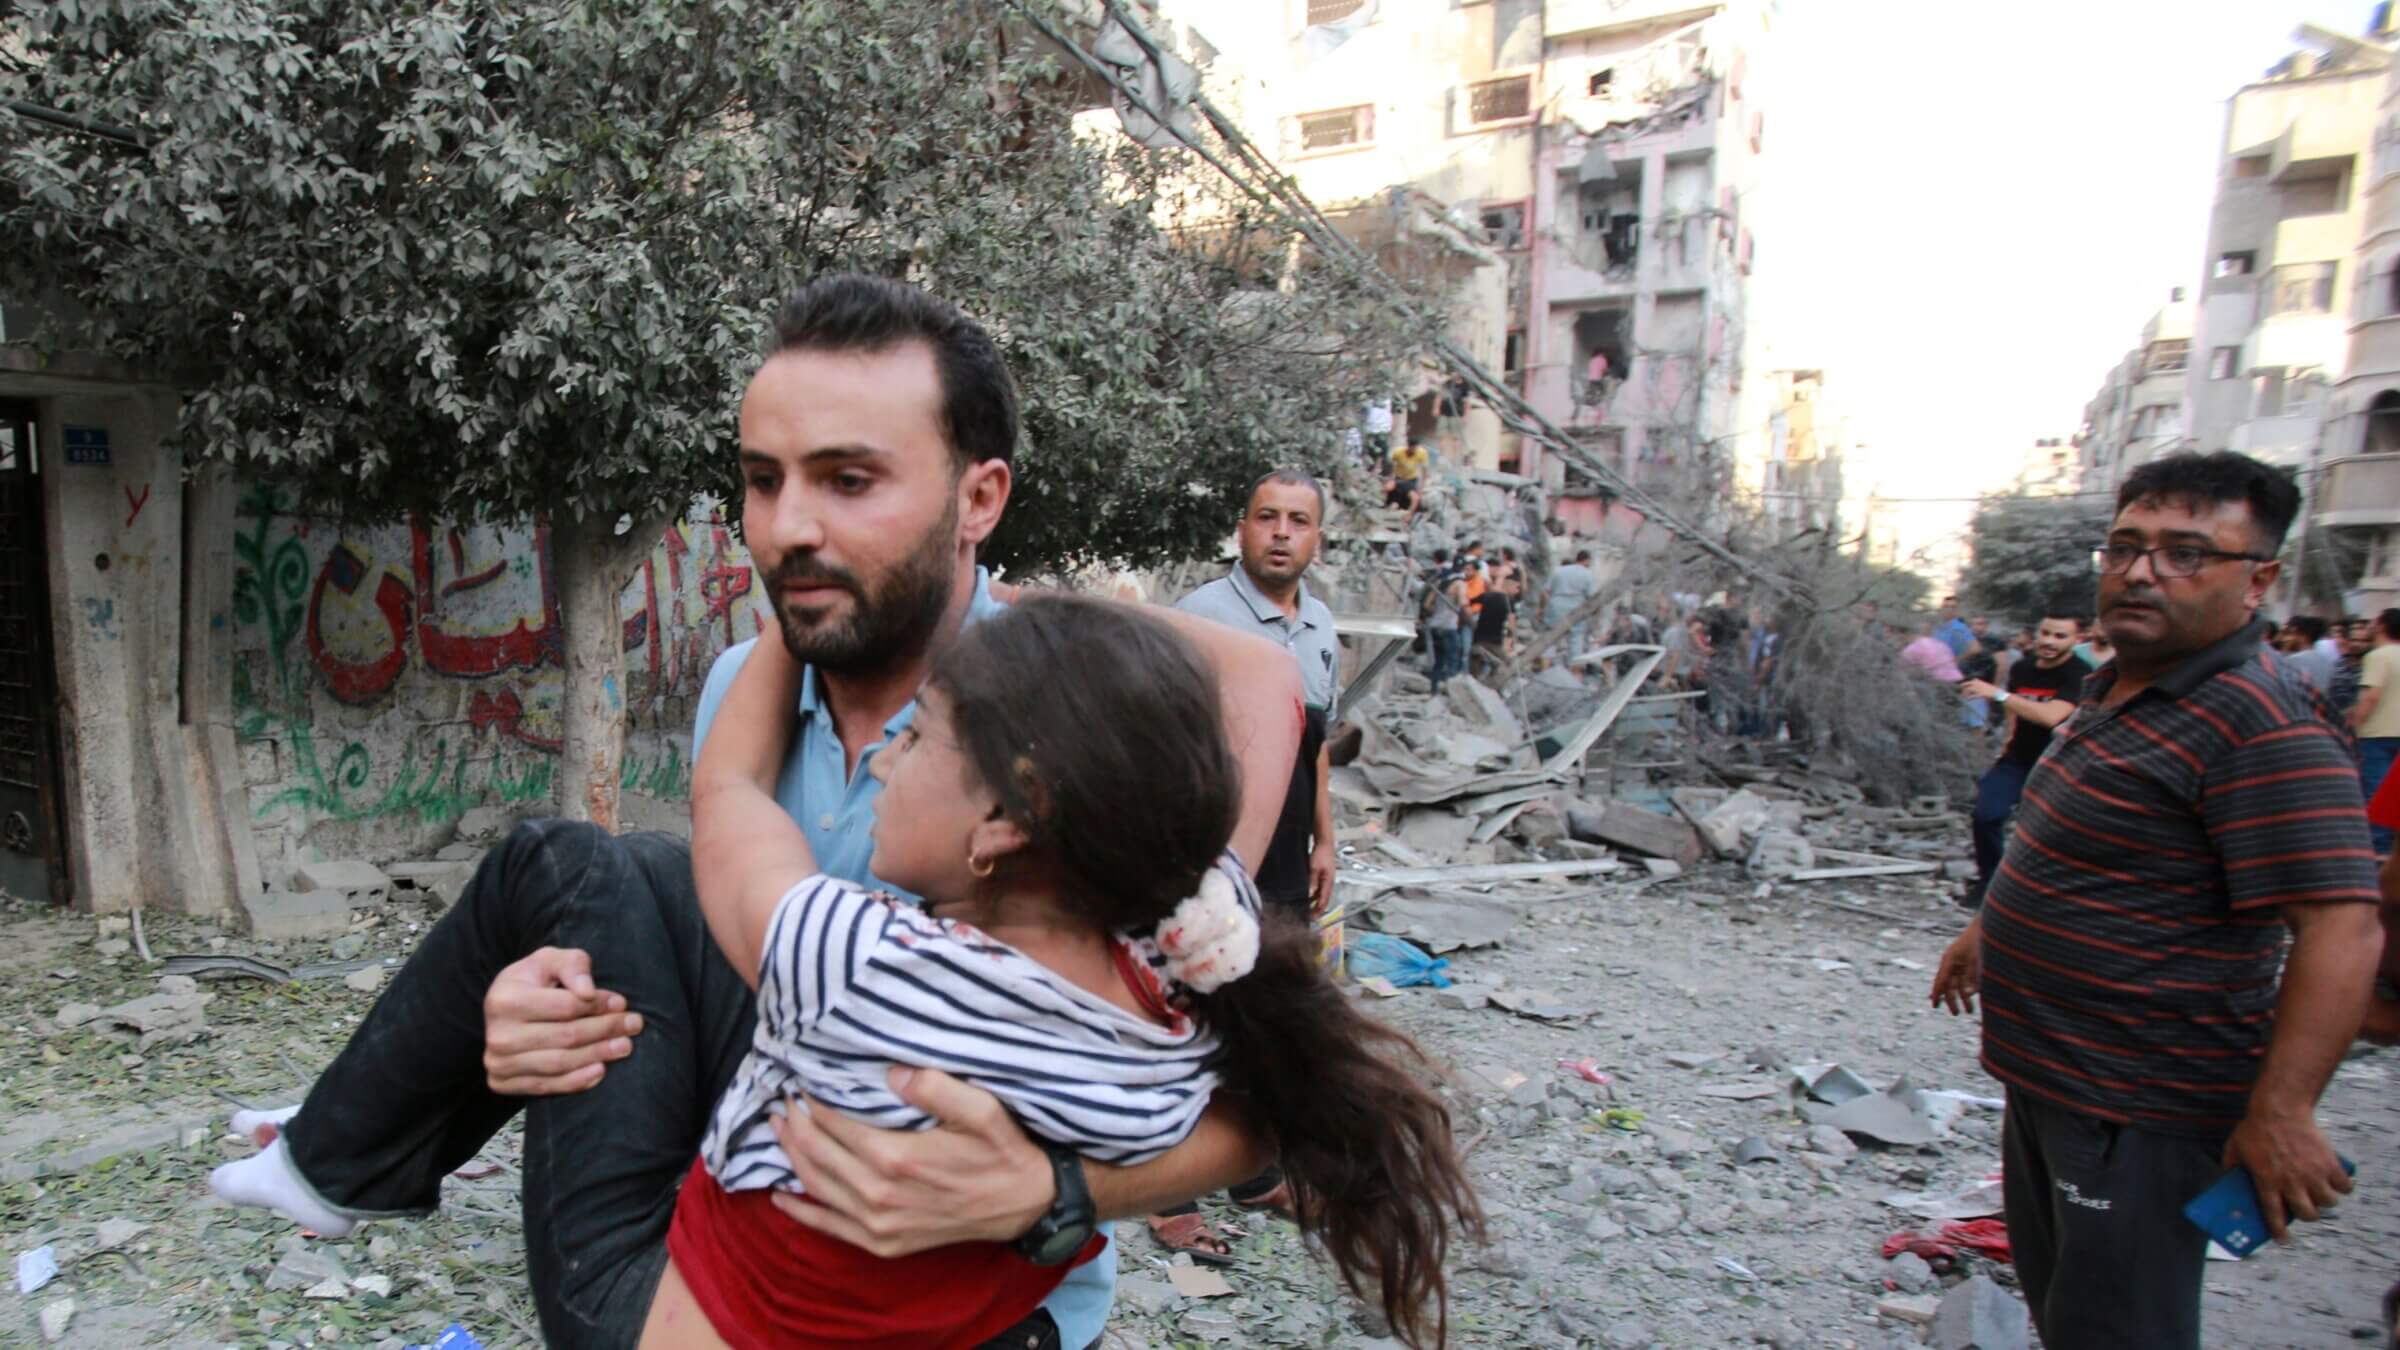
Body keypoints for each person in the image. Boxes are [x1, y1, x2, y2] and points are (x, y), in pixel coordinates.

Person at [207, 275, 1308, 1349]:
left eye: (848, 480)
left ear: (980, 498)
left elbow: (1253, 1082)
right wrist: (539, 1011)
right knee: (607, 883)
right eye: (762, 480)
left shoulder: (1070, 740)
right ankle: (339, 1158)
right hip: (752, 1245)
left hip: (988, 1313)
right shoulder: (748, 686)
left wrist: (1049, 1188)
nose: (787, 526)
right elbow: (727, 983)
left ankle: (334, 1159)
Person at [642, 595, 1479, 1347]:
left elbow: (726, 792)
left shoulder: (865, 969)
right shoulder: (1186, 971)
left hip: (734, 1311)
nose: (887, 765)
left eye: (918, 735)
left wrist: (793, 623)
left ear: (1009, 813)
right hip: (952, 1323)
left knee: (566, 870)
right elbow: (1247, 697)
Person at [1929, 451, 2381, 1350]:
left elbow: (2341, 925)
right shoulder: (2119, 688)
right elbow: (2077, 839)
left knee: (2119, 1330)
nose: (2140, 571)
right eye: (2125, 546)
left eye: (2185, 553)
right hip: (2055, 1076)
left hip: (2138, 1101)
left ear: (2259, 581)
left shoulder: (2260, 720)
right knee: (2068, 1312)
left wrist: (2283, 1111)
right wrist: (1988, 928)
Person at [1156, 470, 1341, 1259]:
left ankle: (1252, 1170)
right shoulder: (1202, 616)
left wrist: (1325, 838)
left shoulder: (1323, 624)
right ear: (1241, 528)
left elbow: (1318, 743)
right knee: (1191, 1012)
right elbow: (1168, 739)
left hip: (1290, 853)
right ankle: (1171, 1194)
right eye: (1266, 517)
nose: (1280, 533)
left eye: (1297, 521)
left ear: (1317, 538)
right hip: (1215, 848)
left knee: (1271, 1014)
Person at [1954, 609, 2089, 910]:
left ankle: (2044, 895)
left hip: (2062, 764)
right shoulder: (2023, 668)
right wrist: (2007, 741)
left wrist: (1997, 694)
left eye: (2060, 636)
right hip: (2019, 757)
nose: (2050, 642)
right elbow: (2017, 709)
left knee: (2050, 832)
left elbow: (2051, 716)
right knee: (1986, 814)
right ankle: (1989, 882)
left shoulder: (2079, 673)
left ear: (2076, 639)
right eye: (2046, 633)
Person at [2353, 608, 2400, 854]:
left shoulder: (2377, 656)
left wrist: (2353, 726)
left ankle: (2376, 851)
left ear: (2382, 626)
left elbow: (2371, 696)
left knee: (2376, 795)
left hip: (2376, 734)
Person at [1545, 549, 1600, 666]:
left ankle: (1545, 668)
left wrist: (1543, 607)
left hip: (1556, 606)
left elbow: (1546, 591)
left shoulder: (1558, 571)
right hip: (1576, 609)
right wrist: (1595, 611)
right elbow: (1593, 597)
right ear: (1587, 560)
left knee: (1550, 640)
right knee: (1575, 641)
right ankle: (1574, 673)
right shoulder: (1588, 574)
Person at [1468, 566, 1517, 681]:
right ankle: (1494, 681)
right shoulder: (1509, 601)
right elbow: (1511, 621)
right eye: (1515, 586)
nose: (1516, 590)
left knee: (1476, 663)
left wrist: (1470, 619)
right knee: (1507, 662)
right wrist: (1511, 637)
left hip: (1479, 636)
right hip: (1495, 640)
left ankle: (1473, 682)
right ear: (1507, 584)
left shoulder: (1487, 596)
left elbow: (1468, 602)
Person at [1387, 439, 1429, 521]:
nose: (1413, 450)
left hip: (1411, 480)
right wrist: (1391, 478)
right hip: (1399, 478)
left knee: (1415, 499)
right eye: (1411, 448)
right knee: (1391, 493)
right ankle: (1390, 508)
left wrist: (1422, 487)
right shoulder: (1398, 452)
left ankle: (1409, 515)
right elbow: (1392, 465)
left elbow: (1425, 471)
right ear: (1408, 446)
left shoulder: (1422, 453)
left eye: (1415, 449)